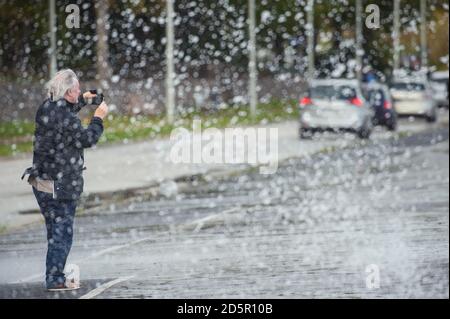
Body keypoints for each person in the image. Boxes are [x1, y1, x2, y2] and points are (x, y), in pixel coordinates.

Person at [21, 69, 109, 291]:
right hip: (57, 184)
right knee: (62, 233)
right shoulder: (66, 118)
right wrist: (98, 118)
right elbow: (87, 139)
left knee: (55, 232)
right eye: (77, 90)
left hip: (41, 181)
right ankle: (55, 279)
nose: (79, 92)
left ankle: (55, 274)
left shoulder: (47, 107)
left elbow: (64, 111)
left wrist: (84, 100)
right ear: (68, 91)